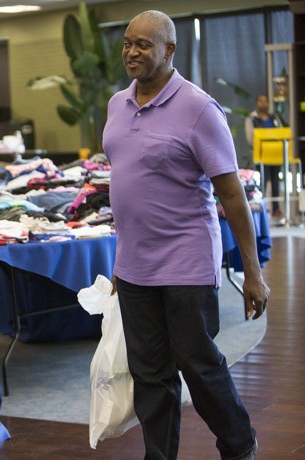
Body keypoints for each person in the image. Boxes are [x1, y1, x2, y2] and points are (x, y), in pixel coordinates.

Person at [102, 10, 269, 460]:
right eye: (127, 43)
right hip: (135, 267)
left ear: (170, 50)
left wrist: (252, 273)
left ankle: (238, 443)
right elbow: (128, 188)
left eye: (143, 45)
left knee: (198, 366)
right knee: (150, 373)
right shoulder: (118, 105)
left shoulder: (198, 109)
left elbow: (232, 196)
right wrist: (120, 262)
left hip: (185, 262)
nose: (132, 52)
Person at [245, 93, 284, 217]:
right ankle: (262, 207)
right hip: (261, 156)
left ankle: (276, 208)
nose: (263, 103)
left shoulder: (273, 118)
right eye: (261, 101)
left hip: (275, 155)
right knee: (262, 181)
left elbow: (281, 133)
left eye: (265, 101)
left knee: (275, 182)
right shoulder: (252, 118)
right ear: (257, 103)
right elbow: (250, 138)